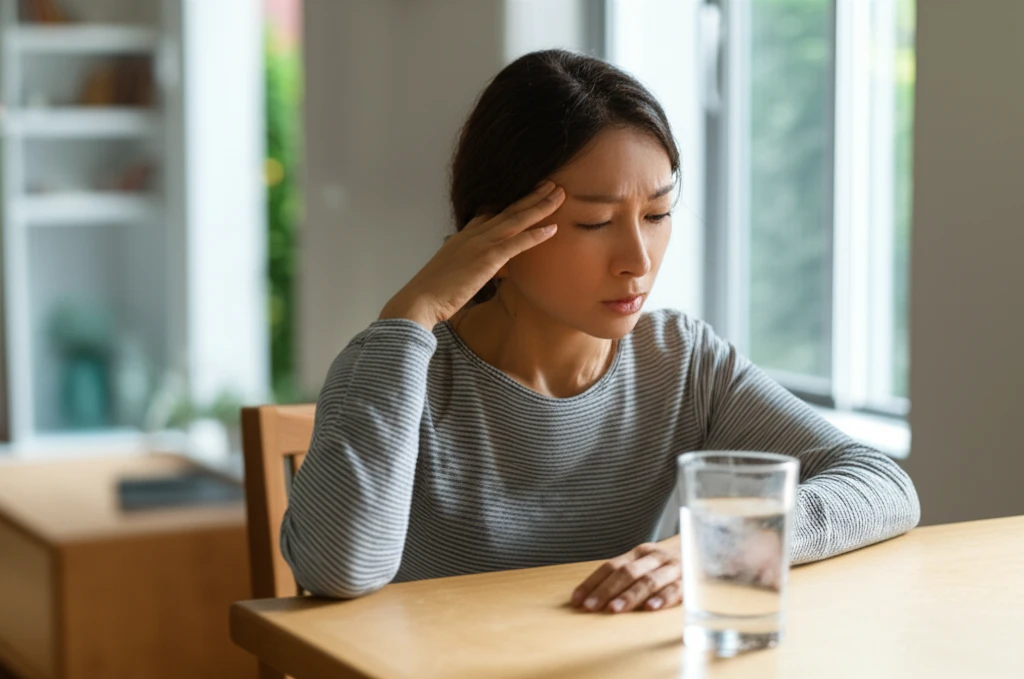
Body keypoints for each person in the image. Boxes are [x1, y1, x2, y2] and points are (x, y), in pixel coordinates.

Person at [280, 49, 920, 614]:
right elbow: (342, 568)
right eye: (593, 223)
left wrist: (717, 544)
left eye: (659, 213)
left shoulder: (680, 360)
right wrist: (414, 308)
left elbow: (881, 484)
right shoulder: (402, 369)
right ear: (495, 226)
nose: (638, 260)